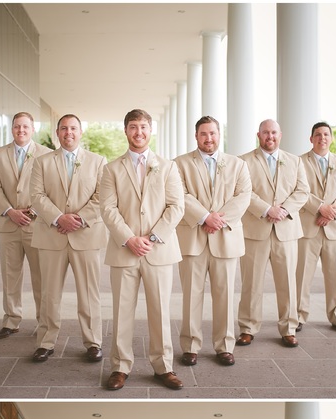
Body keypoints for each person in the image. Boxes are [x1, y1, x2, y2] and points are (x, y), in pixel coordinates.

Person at [99, 109, 185, 391]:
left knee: (160, 311)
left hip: (158, 250)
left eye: (144, 127)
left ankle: (163, 366)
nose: (139, 132)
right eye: (133, 127)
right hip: (125, 250)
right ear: (126, 131)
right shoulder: (111, 168)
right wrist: (129, 238)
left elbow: (176, 207)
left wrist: (153, 236)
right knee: (122, 311)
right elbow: (108, 208)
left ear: (151, 130)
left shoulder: (168, 166)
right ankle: (120, 366)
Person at [174, 117, 251, 367]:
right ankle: (190, 346)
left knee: (225, 295)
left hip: (226, 238)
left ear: (220, 134)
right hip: (192, 239)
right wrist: (205, 216)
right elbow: (179, 195)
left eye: (213, 133)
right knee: (191, 296)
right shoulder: (180, 164)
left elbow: (243, 196)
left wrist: (217, 220)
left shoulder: (238, 165)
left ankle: (225, 346)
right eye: (204, 134)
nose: (209, 139)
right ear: (196, 136)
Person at [29, 114, 106, 363]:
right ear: (57, 133)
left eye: (73, 128)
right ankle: (45, 342)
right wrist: (58, 218)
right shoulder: (41, 162)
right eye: (64, 128)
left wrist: (79, 218)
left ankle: (93, 341)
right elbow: (36, 195)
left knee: (89, 293)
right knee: (49, 294)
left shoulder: (97, 161)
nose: (68, 133)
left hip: (86, 236)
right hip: (51, 235)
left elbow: (102, 197)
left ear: (80, 132)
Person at [236, 119, 309, 348]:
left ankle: (288, 328)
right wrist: (267, 209)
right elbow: (242, 192)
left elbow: (303, 190)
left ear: (280, 134)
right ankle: (247, 328)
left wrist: (284, 210)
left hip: (286, 231)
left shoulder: (295, 161)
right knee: (251, 283)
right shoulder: (244, 162)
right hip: (255, 231)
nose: (270, 136)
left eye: (274, 132)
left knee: (288, 283)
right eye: (266, 132)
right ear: (258, 135)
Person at [0, 112, 52, 340]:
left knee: (40, 277)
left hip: (37, 225)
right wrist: (10, 211)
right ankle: (11, 320)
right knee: (9, 275)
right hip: (8, 223)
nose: (21, 130)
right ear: (11, 129)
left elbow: (50, 189)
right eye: (16, 126)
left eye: (25, 126)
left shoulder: (46, 154)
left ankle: (44, 322)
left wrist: (33, 211)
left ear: (33, 129)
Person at [296, 122, 336, 334]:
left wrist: (331, 213)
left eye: (326, 134)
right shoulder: (299, 162)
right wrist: (319, 208)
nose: (322, 138)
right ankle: (298, 316)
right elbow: (298, 191)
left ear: (331, 138)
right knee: (302, 276)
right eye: (318, 135)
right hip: (307, 228)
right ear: (311, 138)